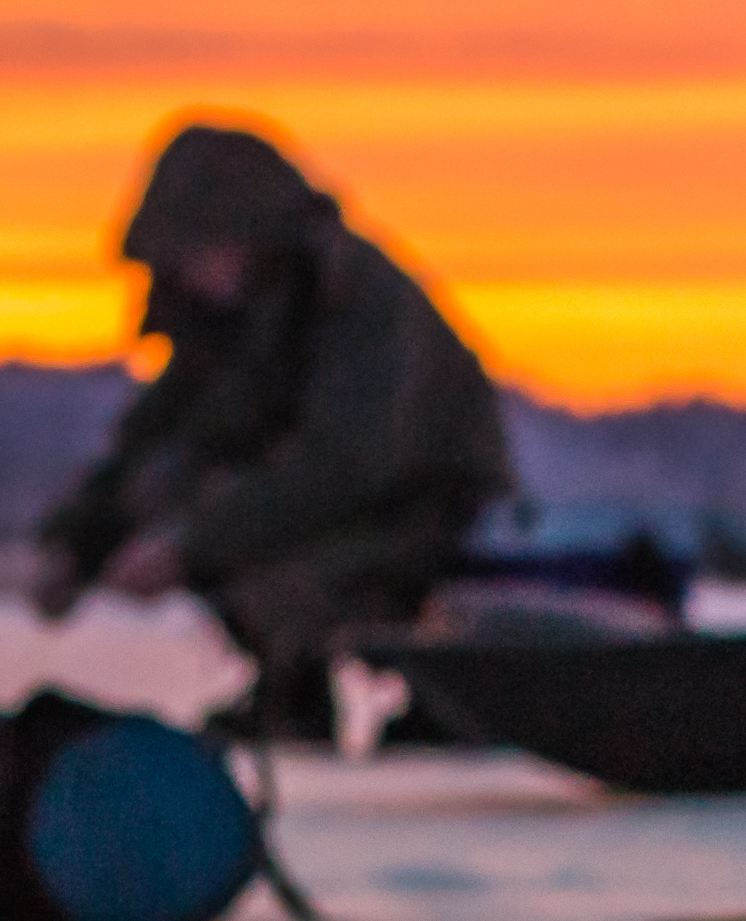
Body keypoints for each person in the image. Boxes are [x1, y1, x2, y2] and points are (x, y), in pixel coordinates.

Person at [31, 122, 517, 744]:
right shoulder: (231, 323)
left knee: (271, 561)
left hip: (430, 511)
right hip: (324, 507)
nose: (193, 276)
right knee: (179, 493)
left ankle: (435, 695)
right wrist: (80, 542)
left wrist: (193, 545)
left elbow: (348, 464)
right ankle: (289, 688)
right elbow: (156, 443)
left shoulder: (357, 299)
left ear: (248, 237)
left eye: (201, 251)